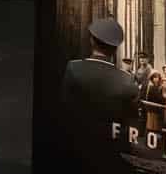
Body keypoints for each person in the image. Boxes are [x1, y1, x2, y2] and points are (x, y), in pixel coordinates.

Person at [59, 17, 139, 147]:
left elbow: (64, 111)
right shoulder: (127, 80)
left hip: (74, 145)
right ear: (116, 48)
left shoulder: (73, 68)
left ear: (91, 41)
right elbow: (131, 126)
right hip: (110, 150)